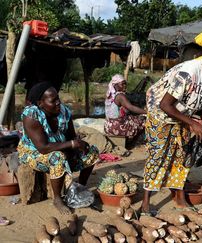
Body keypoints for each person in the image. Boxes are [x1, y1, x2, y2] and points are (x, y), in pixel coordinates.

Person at [140, 30, 202, 214]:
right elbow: (165, 104)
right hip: (160, 114)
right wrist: (192, 123)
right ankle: (145, 203)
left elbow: (195, 98)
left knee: (182, 157)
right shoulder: (186, 73)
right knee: (158, 156)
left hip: (181, 116)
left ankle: (179, 198)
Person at [17, 82, 99, 215]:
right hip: (33, 152)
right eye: (53, 100)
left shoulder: (64, 111)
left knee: (91, 151)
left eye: (58, 98)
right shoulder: (31, 115)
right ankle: (57, 199)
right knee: (58, 157)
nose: (58, 103)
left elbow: (71, 136)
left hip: (60, 148)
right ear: (40, 103)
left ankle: (80, 187)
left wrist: (73, 151)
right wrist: (71, 145)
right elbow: (43, 148)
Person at [104, 74, 147, 140]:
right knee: (143, 120)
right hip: (117, 128)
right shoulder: (120, 96)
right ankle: (137, 140)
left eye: (125, 84)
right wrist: (147, 112)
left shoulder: (110, 95)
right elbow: (131, 107)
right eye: (122, 84)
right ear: (115, 85)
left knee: (132, 117)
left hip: (108, 127)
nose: (125, 86)